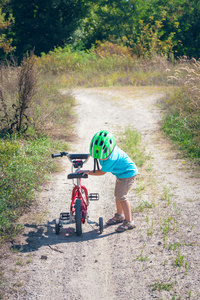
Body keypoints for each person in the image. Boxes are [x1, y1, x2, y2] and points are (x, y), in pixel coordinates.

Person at [79, 130, 138, 232]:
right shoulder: (105, 152)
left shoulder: (111, 159)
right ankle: (119, 216)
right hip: (121, 174)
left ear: (109, 151)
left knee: (122, 197)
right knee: (117, 195)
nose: (100, 158)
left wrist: (87, 171)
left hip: (128, 174)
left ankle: (129, 222)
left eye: (102, 157)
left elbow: (101, 172)